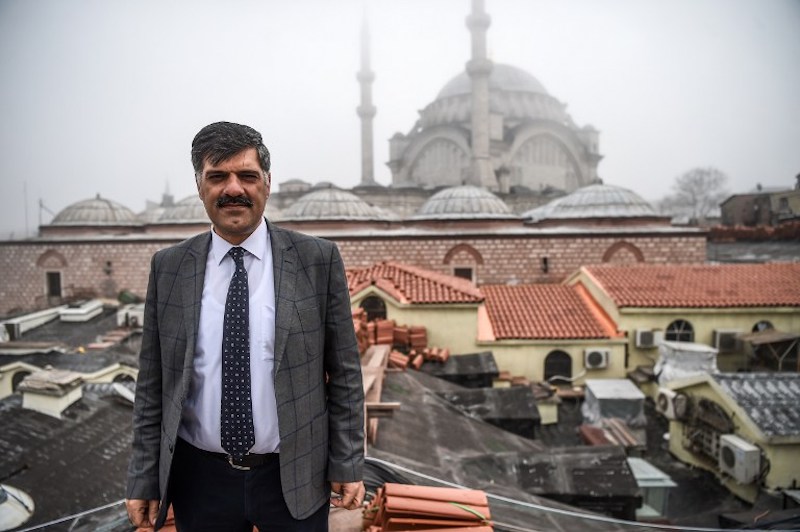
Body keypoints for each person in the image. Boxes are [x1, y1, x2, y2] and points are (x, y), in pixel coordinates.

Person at [126, 121, 365, 531]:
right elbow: (152, 386)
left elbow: (344, 374)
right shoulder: (169, 268)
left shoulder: (316, 260)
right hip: (199, 482)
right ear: (200, 186)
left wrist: (347, 461)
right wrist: (143, 477)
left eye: (247, 176)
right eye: (217, 176)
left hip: (294, 476)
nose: (233, 188)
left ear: (267, 184)